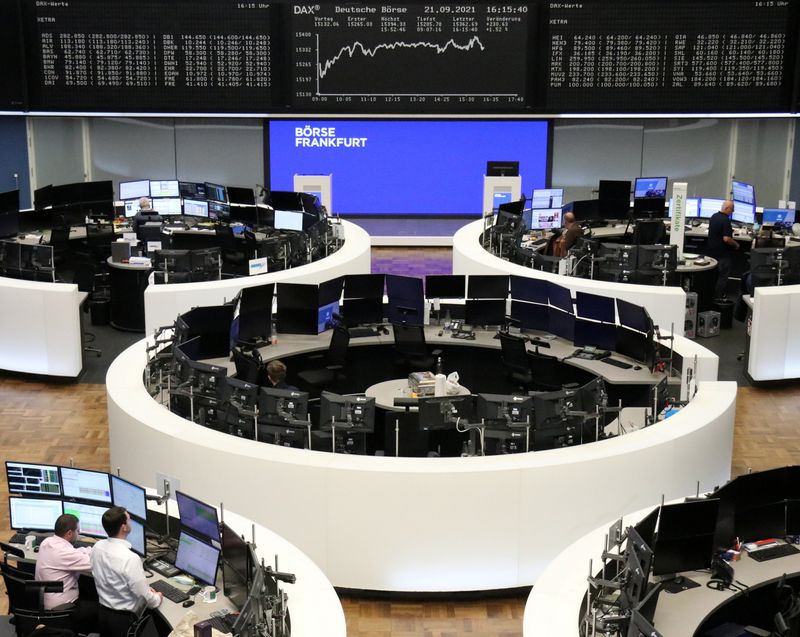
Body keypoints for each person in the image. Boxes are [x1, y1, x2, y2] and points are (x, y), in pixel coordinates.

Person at [91, 507, 162, 637]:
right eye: (129, 520)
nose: (131, 523)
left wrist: (145, 589)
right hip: (123, 622)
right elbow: (144, 597)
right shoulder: (130, 558)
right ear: (124, 527)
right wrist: (157, 598)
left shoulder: (97, 547)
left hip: (103, 615)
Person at [35, 514, 98, 632]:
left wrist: (91, 549)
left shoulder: (47, 542)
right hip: (62, 609)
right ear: (69, 533)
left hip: (44, 602)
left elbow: (74, 553)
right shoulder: (66, 554)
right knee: (102, 610)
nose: (79, 535)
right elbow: (96, 566)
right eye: (78, 531)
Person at [707, 199, 739, 299]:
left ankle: (710, 297)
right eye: (732, 210)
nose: (732, 212)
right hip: (722, 255)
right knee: (722, 277)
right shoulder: (725, 221)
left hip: (712, 253)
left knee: (713, 277)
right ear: (727, 208)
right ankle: (719, 298)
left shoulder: (714, 216)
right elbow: (726, 239)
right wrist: (736, 244)